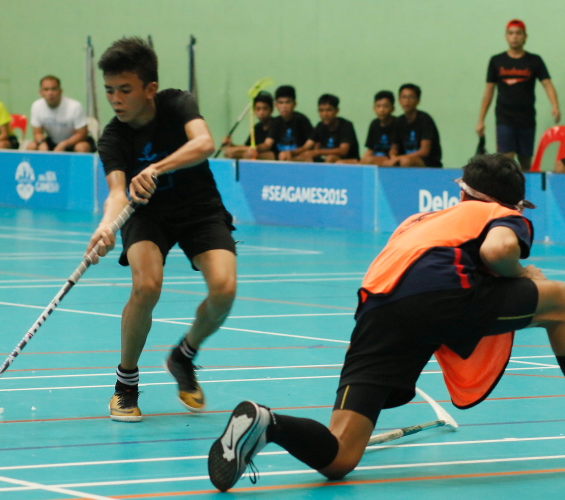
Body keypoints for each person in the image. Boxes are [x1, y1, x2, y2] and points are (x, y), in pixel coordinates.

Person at [206, 153, 565, 492]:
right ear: (512, 204)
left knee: (341, 456)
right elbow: (497, 251)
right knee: (561, 302)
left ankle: (269, 423)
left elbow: (395, 275)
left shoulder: (417, 222)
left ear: (460, 192)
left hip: (374, 315)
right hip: (442, 297)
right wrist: (525, 273)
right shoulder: (501, 215)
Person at [86, 37, 237, 422]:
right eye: (109, 90)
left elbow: (204, 143)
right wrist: (106, 226)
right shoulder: (114, 137)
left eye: (125, 89)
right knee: (146, 285)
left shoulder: (176, 103)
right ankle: (125, 384)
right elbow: (118, 192)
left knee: (224, 289)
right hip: (146, 215)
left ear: (149, 89)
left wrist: (156, 168)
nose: (115, 99)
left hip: (199, 207)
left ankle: (183, 356)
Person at [477, 19, 561, 171]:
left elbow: (547, 84)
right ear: (506, 37)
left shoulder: (534, 61)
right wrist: (481, 120)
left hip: (526, 118)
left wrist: (555, 106)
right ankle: (506, 193)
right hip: (505, 117)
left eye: (518, 33)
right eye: (511, 33)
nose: (514, 37)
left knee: (525, 162)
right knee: (505, 160)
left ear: (525, 37)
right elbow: (489, 90)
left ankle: (525, 191)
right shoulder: (496, 61)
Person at [26, 75, 95, 152]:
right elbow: (37, 132)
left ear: (60, 91)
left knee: (81, 147)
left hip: (74, 142)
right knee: (31, 146)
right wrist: (42, 143)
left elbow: (82, 134)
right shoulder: (36, 106)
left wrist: (64, 144)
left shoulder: (74, 106)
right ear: (41, 93)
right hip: (53, 141)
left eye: (54, 89)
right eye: (46, 89)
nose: (50, 93)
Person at [388, 84, 442, 167]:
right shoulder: (398, 121)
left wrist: (400, 158)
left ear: (418, 100)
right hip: (403, 159)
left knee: (405, 161)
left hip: (428, 162)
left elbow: (424, 151)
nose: (407, 101)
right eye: (404, 97)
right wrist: (393, 156)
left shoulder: (425, 120)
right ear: (399, 100)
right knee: (379, 161)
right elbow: (394, 147)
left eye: (411, 97)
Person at [295, 94, 359, 163]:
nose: (325, 114)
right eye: (321, 110)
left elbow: (343, 150)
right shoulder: (320, 126)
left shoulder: (346, 126)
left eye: (329, 110)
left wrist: (317, 152)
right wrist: (289, 153)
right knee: (302, 158)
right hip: (325, 160)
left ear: (336, 111)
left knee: (330, 159)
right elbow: (306, 147)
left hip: (348, 161)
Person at [258, 85, 313, 161]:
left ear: (294, 104)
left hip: (296, 155)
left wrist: (291, 153)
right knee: (254, 155)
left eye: (288, 102)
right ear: (276, 105)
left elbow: (308, 145)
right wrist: (255, 148)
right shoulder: (276, 122)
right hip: (279, 155)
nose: (284, 106)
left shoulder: (301, 120)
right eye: (280, 102)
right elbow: (267, 144)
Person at [222, 91, 275, 160]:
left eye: (265, 108)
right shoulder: (257, 127)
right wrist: (231, 145)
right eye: (258, 109)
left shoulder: (276, 123)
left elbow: (266, 146)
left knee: (248, 155)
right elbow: (247, 146)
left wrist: (236, 149)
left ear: (271, 110)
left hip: (272, 154)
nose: (261, 112)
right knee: (229, 153)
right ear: (254, 110)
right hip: (255, 152)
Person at [360, 90, 398, 166]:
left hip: (388, 158)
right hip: (375, 158)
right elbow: (370, 149)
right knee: (342, 163)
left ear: (393, 108)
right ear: (374, 108)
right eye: (378, 106)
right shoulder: (374, 124)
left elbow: (394, 149)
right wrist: (361, 161)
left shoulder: (397, 123)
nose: (381, 110)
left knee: (369, 160)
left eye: (385, 106)